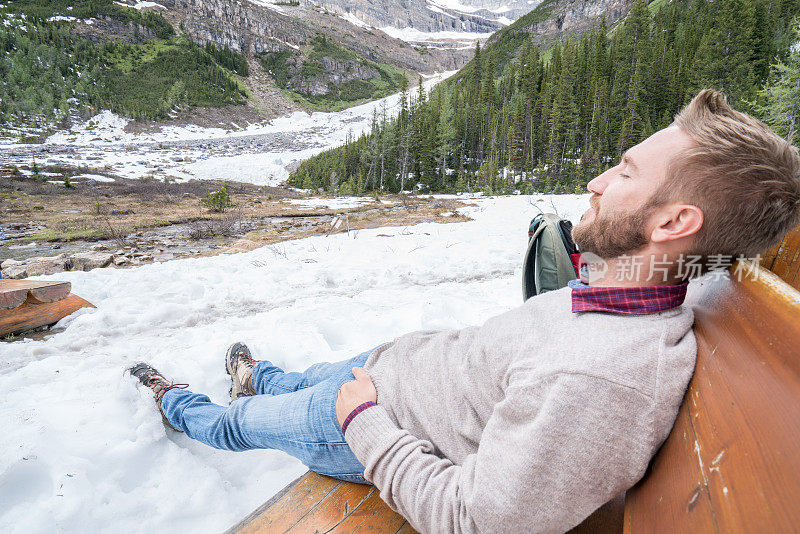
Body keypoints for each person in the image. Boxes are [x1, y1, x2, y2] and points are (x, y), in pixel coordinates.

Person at [128, 89, 800, 533]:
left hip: (368, 421)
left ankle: (179, 406)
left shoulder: (601, 382)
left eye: (625, 172)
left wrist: (360, 420)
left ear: (675, 220)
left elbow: (474, 521)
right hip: (385, 374)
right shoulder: (625, 294)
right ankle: (263, 377)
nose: (597, 180)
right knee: (299, 378)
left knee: (242, 424)